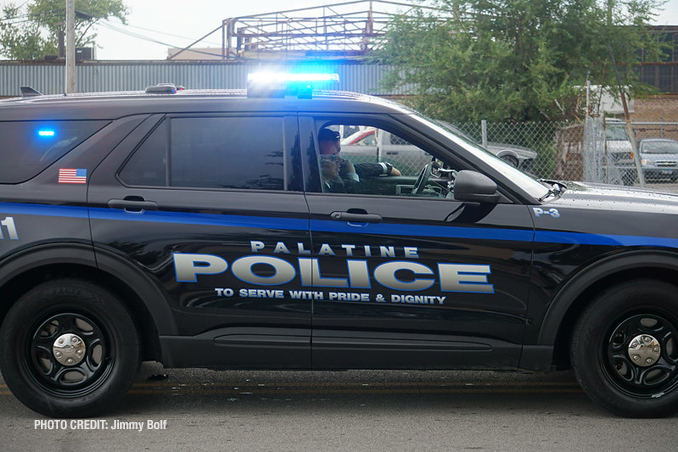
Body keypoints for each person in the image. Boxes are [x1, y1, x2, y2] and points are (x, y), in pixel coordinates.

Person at [318, 127, 401, 193]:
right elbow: (353, 197)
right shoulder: (318, 187)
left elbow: (356, 168)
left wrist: (385, 168)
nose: (339, 159)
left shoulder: (333, 173)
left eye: (338, 151)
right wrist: (352, 176)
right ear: (318, 159)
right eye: (332, 156)